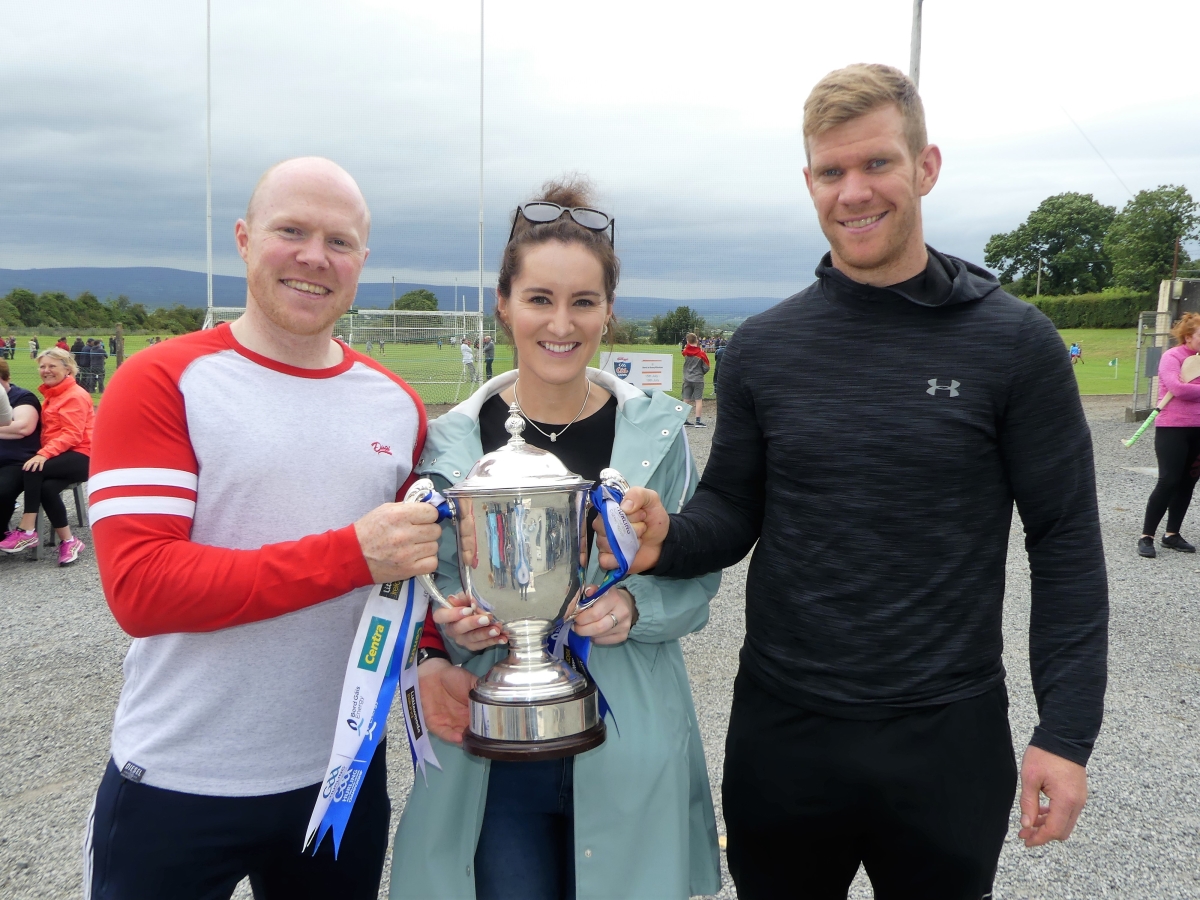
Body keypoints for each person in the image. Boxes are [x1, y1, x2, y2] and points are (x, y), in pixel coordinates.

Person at [599, 64, 1108, 900]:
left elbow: (1066, 546)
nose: (854, 191)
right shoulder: (764, 347)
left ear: (926, 166)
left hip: (948, 730)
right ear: (809, 182)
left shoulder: (1015, 345)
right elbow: (733, 510)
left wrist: (1067, 732)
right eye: (832, 172)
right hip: (786, 727)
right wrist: (668, 538)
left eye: (877, 164)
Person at [82, 157, 474, 900]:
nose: (313, 257)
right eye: (290, 231)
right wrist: (349, 554)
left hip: (339, 778)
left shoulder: (394, 403)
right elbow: (142, 589)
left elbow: (406, 572)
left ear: (362, 259)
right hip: (175, 776)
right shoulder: (161, 381)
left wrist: (428, 656)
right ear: (242, 238)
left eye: (340, 241)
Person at [390, 178, 721, 900]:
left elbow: (697, 582)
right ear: (505, 303)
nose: (560, 323)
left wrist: (636, 608)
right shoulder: (448, 444)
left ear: (608, 311)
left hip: (629, 747)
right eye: (540, 298)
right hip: (491, 753)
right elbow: (421, 589)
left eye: (583, 301)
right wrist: (445, 629)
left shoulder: (657, 436)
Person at [0, 348, 93, 564]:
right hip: (62, 455)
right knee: (47, 488)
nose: (46, 370)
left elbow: (72, 434)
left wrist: (43, 454)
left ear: (67, 369)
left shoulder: (74, 395)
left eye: (52, 366)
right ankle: (69, 542)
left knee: (32, 468)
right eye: (42, 366)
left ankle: (26, 530)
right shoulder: (52, 395)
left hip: (81, 455)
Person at [1138, 312, 1200, 558]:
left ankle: (1172, 534)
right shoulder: (1171, 357)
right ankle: (1147, 536)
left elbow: (1189, 389)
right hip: (1172, 427)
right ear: (1188, 336)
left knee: (1188, 482)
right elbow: (1177, 388)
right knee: (1168, 480)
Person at [0, 359, 42, 531]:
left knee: (2, 490)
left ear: (6, 378)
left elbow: (23, 427)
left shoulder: (22, 397)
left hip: (16, 461)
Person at [680, 332, 709, 427]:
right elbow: (706, 367)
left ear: (688, 341)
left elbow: (684, 351)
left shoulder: (685, 352)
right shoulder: (701, 354)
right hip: (698, 379)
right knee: (698, 399)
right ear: (697, 340)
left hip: (687, 378)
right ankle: (698, 421)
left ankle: (683, 419)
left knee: (686, 399)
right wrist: (701, 373)